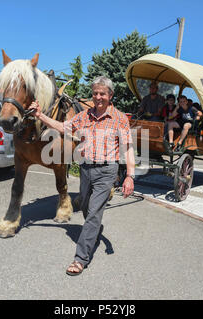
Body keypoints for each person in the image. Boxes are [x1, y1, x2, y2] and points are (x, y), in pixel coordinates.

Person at [28, 76, 135, 276]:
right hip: (86, 169)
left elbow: (128, 147)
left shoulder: (120, 118)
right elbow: (62, 127)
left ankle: (80, 258)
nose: (98, 97)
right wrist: (41, 115)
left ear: (110, 95)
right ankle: (93, 230)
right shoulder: (84, 116)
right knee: (85, 206)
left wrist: (130, 176)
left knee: (94, 213)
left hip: (107, 170)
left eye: (102, 93)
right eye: (95, 93)